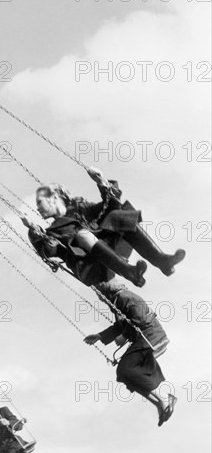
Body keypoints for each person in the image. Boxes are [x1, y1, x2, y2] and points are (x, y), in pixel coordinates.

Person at [22, 167, 185, 287]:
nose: (37, 208)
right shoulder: (53, 231)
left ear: (54, 198)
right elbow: (50, 251)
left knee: (118, 215)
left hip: (113, 253)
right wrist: (35, 233)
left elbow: (112, 207)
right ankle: (130, 272)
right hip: (91, 267)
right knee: (83, 235)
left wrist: (102, 182)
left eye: (39, 202)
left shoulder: (81, 207)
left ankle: (162, 261)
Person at [84, 280, 176, 426]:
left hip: (151, 337)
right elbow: (120, 325)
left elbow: (138, 318)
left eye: (98, 293)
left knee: (126, 369)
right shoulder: (117, 302)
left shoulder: (125, 297)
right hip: (144, 340)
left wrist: (124, 335)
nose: (98, 297)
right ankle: (160, 403)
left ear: (105, 290)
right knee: (124, 374)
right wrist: (100, 336)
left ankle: (164, 398)